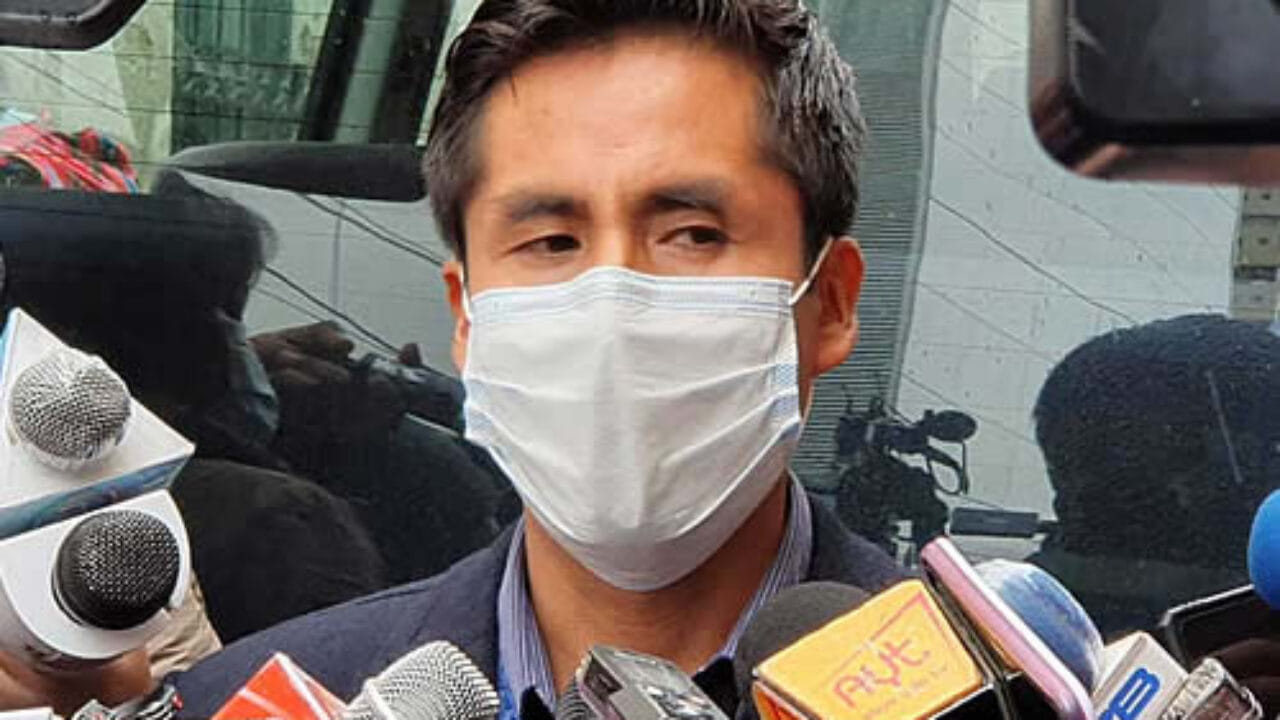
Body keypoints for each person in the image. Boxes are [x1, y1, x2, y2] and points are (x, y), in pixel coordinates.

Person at [0, 0, 906, 714]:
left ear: (830, 303)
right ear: (466, 319)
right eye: (550, 242)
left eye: (693, 233)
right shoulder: (242, 700)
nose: (613, 306)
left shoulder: (984, 690)